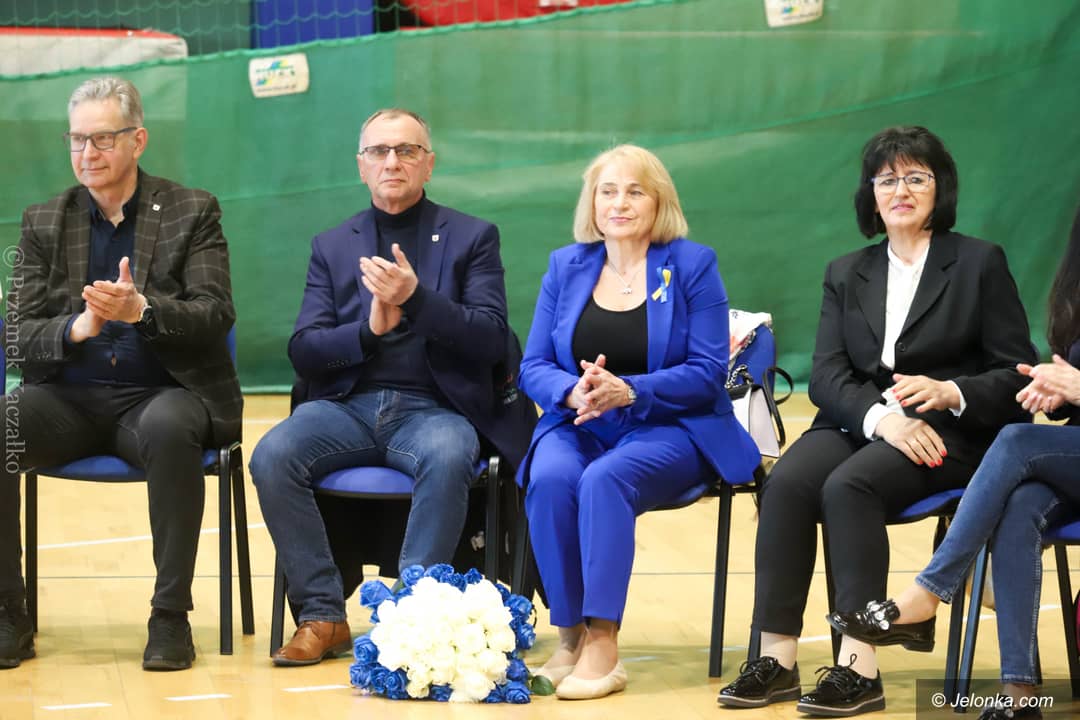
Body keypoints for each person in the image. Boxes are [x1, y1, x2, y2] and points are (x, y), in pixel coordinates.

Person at [717, 126, 1036, 716]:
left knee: (850, 486)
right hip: (863, 423)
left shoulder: (979, 262)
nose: (900, 190)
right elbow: (826, 375)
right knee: (787, 483)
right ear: (870, 193)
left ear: (941, 188)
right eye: (887, 180)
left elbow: (1017, 376)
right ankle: (776, 659)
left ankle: (858, 667)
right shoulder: (846, 271)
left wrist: (951, 392)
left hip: (948, 432)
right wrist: (881, 420)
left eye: (916, 177)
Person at [250, 108, 534, 667]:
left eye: (407, 150)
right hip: (346, 407)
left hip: (436, 409)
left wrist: (416, 299)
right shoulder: (333, 244)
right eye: (379, 151)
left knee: (450, 454)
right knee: (272, 454)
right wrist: (369, 331)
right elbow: (304, 348)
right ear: (362, 166)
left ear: (429, 164)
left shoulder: (473, 237)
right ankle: (322, 614)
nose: (392, 161)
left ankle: (409, 623)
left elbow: (490, 337)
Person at [0, 77, 242, 672]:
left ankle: (170, 617)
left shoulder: (193, 210)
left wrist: (143, 311)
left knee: (169, 427)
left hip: (161, 393)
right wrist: (78, 327)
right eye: (77, 139)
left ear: (138, 140)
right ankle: (9, 611)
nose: (88, 152)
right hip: (68, 399)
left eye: (103, 138)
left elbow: (215, 314)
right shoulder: (43, 220)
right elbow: (17, 335)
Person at [517, 144, 760, 700]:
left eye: (635, 191)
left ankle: (603, 644)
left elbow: (707, 372)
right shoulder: (565, 266)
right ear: (592, 202)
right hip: (579, 421)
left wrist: (629, 390)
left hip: (673, 426)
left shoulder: (693, 265)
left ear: (659, 202)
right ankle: (570, 636)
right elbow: (533, 365)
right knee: (551, 478)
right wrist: (571, 390)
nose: (619, 203)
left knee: (606, 479)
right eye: (607, 191)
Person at [828, 203, 1080, 720]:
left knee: (1014, 440)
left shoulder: (980, 261)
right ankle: (1019, 695)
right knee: (1020, 505)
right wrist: (1055, 393)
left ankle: (930, 589)